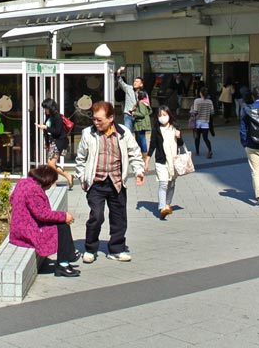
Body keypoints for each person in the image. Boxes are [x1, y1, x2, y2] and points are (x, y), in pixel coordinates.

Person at [74, 100, 145, 263]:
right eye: (94, 119)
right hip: (96, 183)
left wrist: (139, 171)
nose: (96, 123)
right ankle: (90, 248)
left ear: (111, 118)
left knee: (119, 217)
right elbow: (81, 158)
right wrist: (82, 178)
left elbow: (134, 152)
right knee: (96, 216)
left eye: (99, 120)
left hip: (116, 182)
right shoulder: (88, 134)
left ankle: (117, 249)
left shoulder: (123, 133)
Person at [9, 164, 79, 277]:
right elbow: (42, 214)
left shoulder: (23, 182)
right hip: (28, 231)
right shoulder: (34, 190)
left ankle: (70, 254)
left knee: (60, 224)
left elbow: (12, 199)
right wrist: (64, 216)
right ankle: (63, 264)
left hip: (20, 226)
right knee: (62, 227)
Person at [148, 106, 184, 220]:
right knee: (163, 183)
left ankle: (168, 204)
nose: (162, 118)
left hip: (173, 160)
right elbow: (152, 145)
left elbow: (181, 143)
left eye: (164, 115)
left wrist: (179, 137)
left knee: (171, 184)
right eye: (160, 116)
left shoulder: (175, 128)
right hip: (161, 160)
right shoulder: (156, 130)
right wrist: (147, 160)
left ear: (169, 115)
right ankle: (162, 207)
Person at [36, 98, 74, 188]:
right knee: (50, 163)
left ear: (51, 107)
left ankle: (53, 182)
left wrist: (45, 127)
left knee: (51, 164)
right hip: (53, 142)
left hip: (59, 141)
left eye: (46, 108)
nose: (45, 110)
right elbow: (46, 132)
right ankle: (67, 176)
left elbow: (57, 131)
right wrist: (46, 142)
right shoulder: (48, 117)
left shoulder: (57, 117)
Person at [191, 86, 214, 158]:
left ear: (200, 93)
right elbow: (212, 112)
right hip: (205, 122)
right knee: (205, 138)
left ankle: (197, 152)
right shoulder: (210, 101)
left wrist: (191, 110)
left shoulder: (196, 101)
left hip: (197, 122)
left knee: (197, 138)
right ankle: (209, 150)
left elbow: (195, 111)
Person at [115, 67, 140, 132]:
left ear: (141, 84)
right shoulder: (129, 88)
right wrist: (119, 72)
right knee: (128, 133)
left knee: (139, 135)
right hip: (128, 114)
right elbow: (120, 82)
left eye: (137, 82)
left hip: (138, 115)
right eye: (134, 81)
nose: (135, 82)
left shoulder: (143, 93)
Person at [132, 90, 152, 169]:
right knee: (141, 137)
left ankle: (143, 155)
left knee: (141, 138)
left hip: (140, 123)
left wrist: (134, 113)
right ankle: (143, 154)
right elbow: (149, 112)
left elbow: (142, 113)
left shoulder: (141, 103)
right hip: (144, 123)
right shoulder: (146, 102)